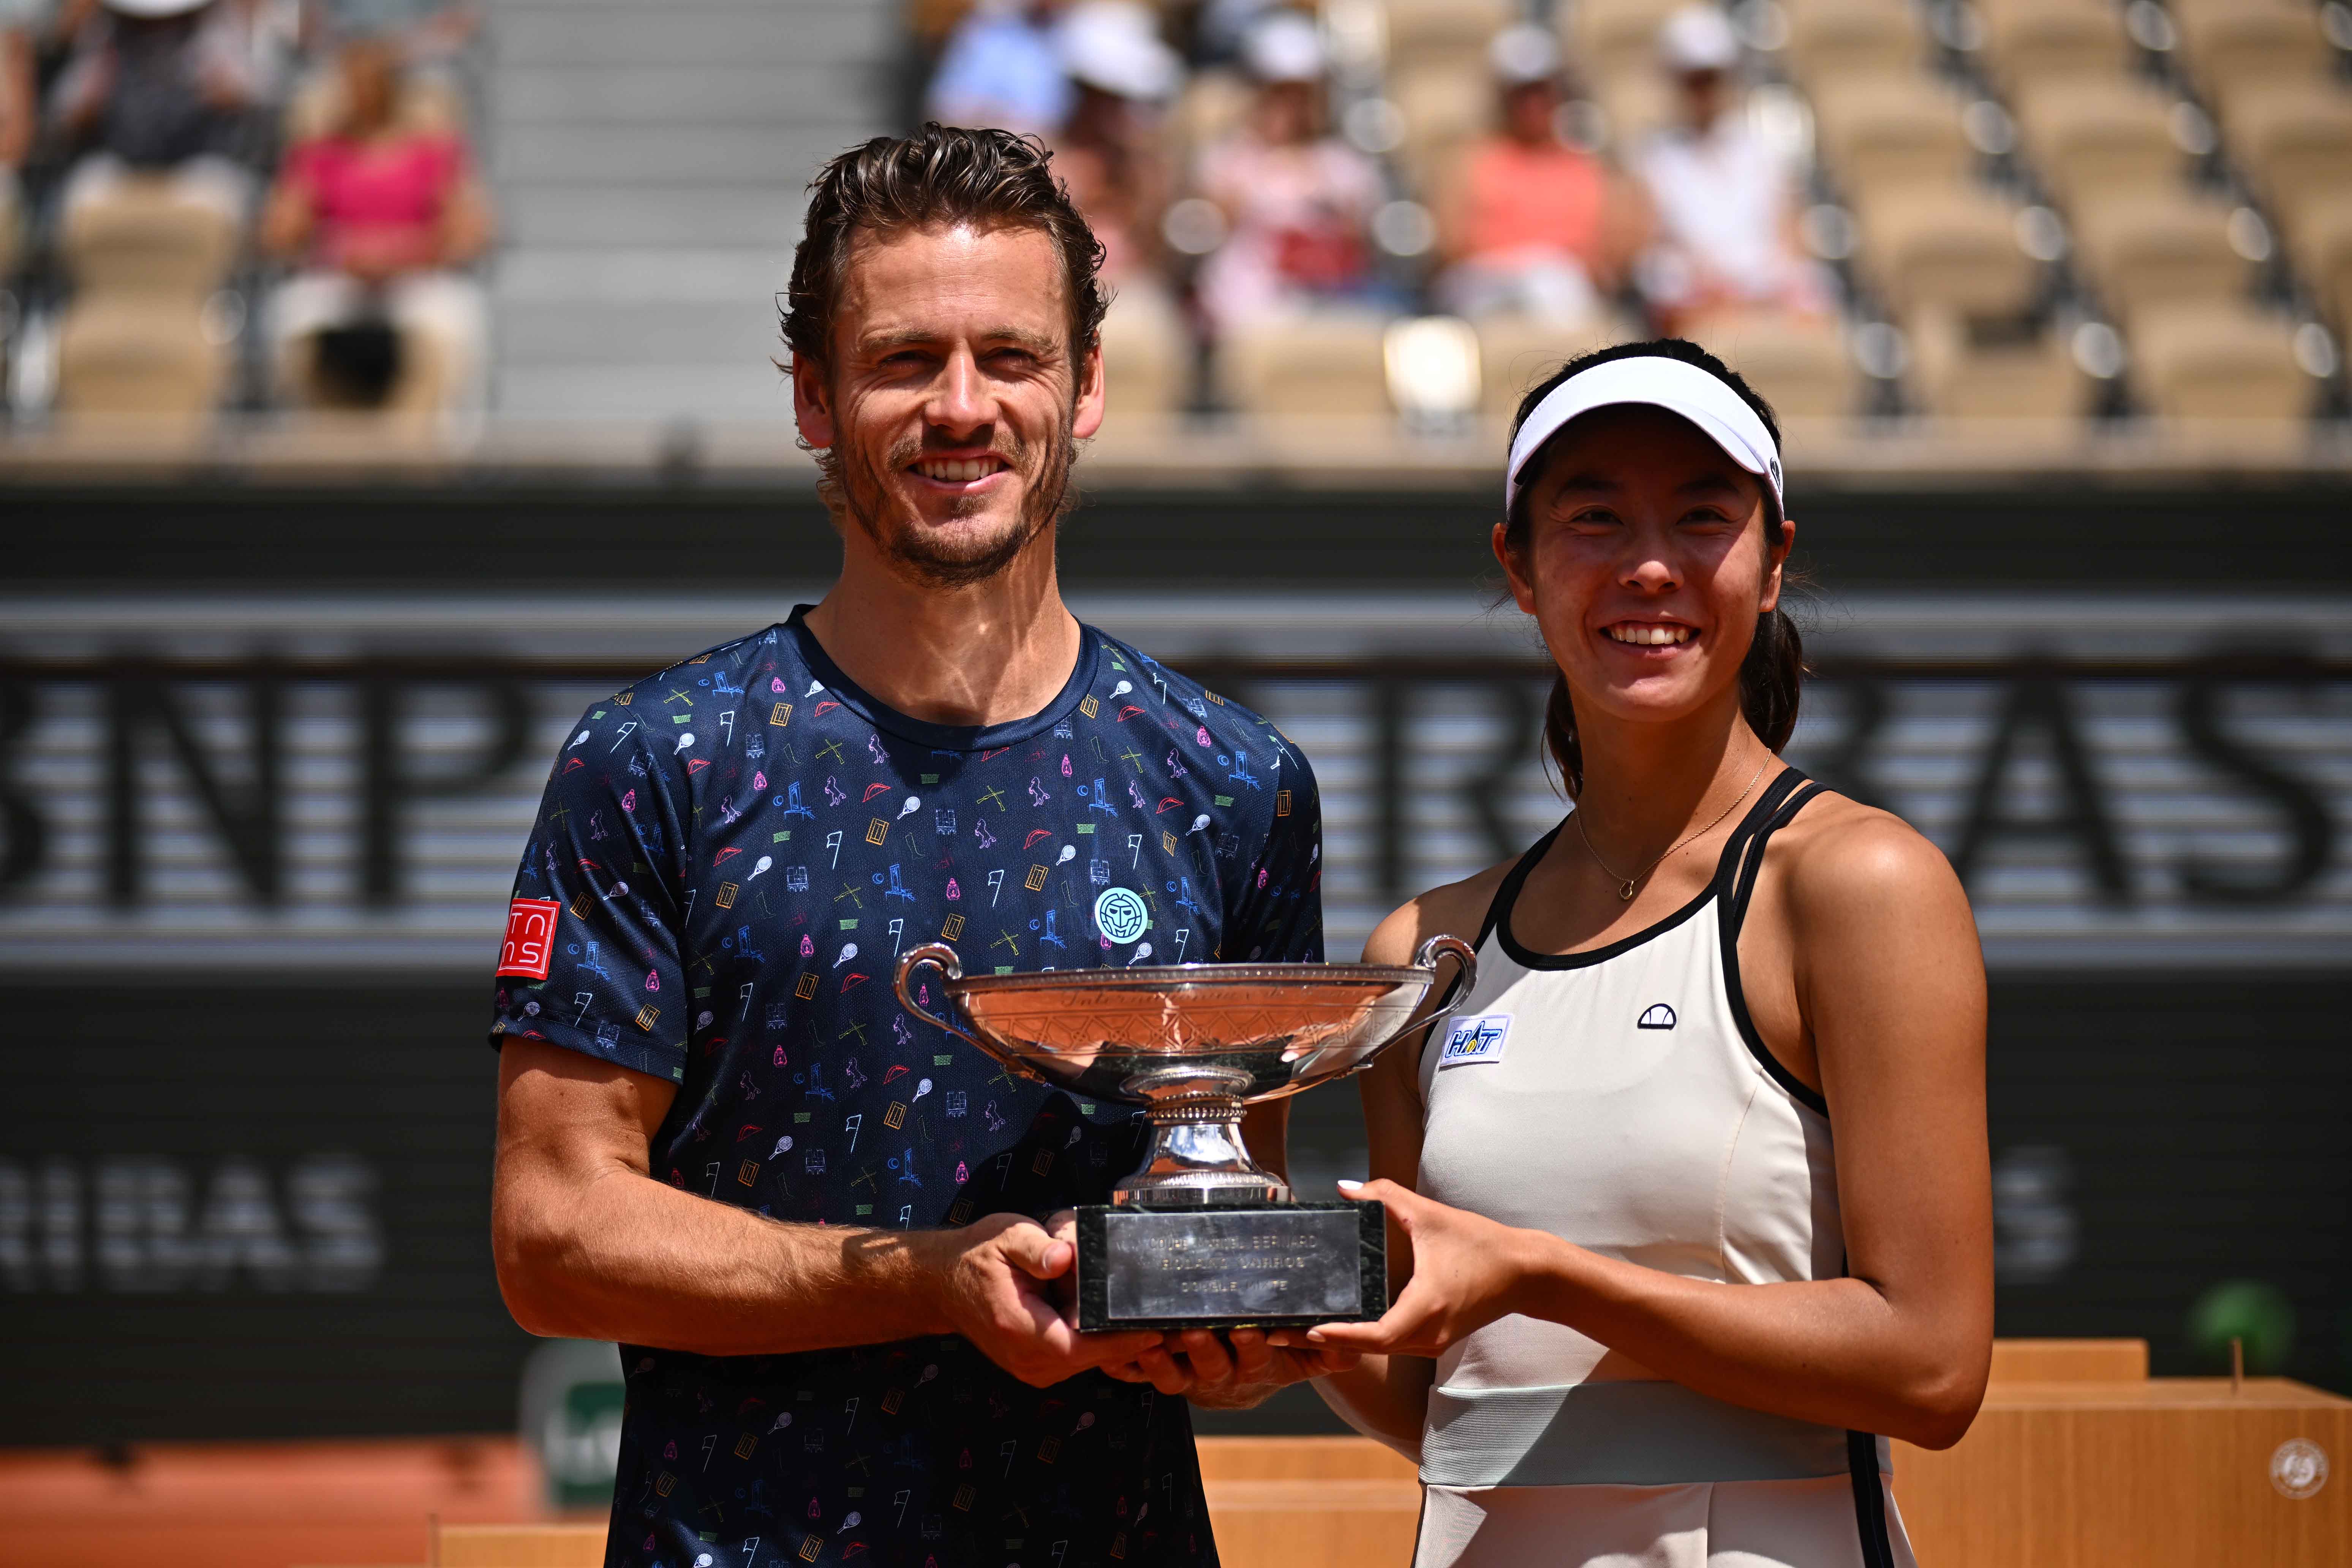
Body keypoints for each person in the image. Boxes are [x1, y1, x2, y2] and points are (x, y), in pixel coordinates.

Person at [488, 125, 1347, 1568]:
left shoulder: (1235, 783)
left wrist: (1228, 1338)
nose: (962, 407)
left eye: (1010, 358)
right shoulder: (656, 762)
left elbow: (1221, 1220)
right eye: (903, 361)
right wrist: (928, 1280)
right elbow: (551, 1233)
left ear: (1084, 387)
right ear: (813, 398)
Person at [1268, 340, 1993, 1565]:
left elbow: (1932, 1365)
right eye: (1594, 517)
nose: (1649, 565)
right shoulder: (1431, 944)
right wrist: (1262, 1294)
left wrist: (1545, 1276)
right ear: (1519, 566)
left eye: (1702, 516)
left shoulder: (1863, 884)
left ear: (1774, 563)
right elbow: (1440, 1395)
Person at [259, 35, 490, 409]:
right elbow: (279, 232)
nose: (361, 94)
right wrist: (339, 252)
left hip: (416, 279)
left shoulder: (433, 152)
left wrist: (409, 254)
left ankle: (450, 435)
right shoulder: (318, 154)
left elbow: (470, 231)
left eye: (372, 82)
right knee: (287, 317)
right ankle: (300, 429)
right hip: (339, 278)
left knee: (460, 319)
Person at [1434, 24, 1649, 328]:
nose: (1532, 104)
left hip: (1563, 291)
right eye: (1521, 94)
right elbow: (1451, 246)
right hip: (1486, 288)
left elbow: (1613, 254)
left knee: (1554, 288)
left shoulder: (1587, 167)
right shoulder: (1470, 163)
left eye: (1540, 91)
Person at [1633, 6, 1833, 332]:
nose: (1703, 92)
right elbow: (1652, 242)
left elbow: (1791, 232)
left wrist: (1768, 288)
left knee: (1816, 292)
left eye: (1710, 79)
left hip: (1765, 284)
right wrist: (1711, 284)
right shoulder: (1654, 157)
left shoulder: (1764, 148)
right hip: (1701, 287)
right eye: (1692, 80)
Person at [1191, 8, 1385, 337]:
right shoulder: (1226, 160)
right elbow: (1212, 230)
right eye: (1279, 94)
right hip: (1247, 306)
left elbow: (1360, 246)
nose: (1290, 108)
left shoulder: (1345, 165)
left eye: (1301, 95)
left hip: (1330, 302)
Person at [47, 0, 261, 223]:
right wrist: (90, 104)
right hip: (124, 166)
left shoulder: (211, 32)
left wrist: (224, 92)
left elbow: (253, 93)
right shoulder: (105, 37)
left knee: (218, 189)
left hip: (193, 167)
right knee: (86, 187)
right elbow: (65, 111)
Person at [926, 0, 1072, 138]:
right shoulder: (985, 27)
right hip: (970, 143)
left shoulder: (1072, 42)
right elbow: (946, 108)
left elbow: (1052, 128)